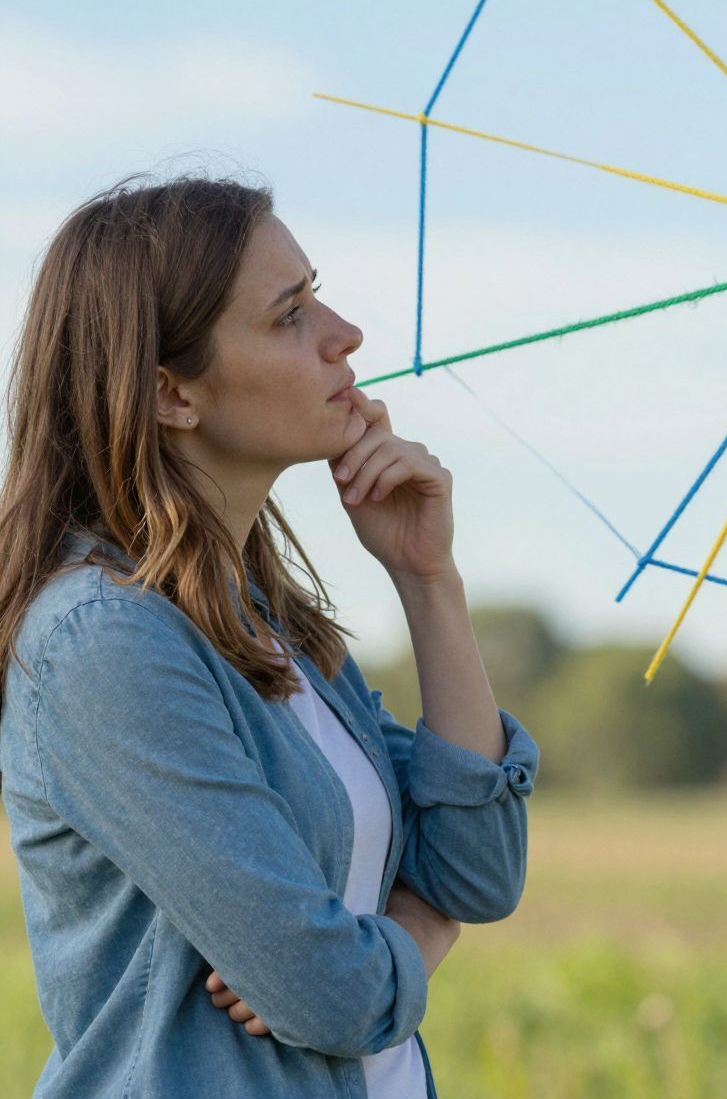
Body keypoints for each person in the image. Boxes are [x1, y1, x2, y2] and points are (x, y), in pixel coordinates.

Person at [0, 175, 539, 1098]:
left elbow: (479, 870)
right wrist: (424, 930)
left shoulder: (270, 620)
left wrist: (427, 580)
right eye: (290, 315)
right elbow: (334, 996)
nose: (345, 334)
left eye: (315, 292)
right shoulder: (103, 645)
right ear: (172, 393)